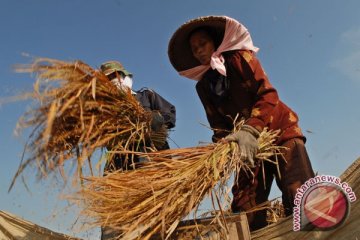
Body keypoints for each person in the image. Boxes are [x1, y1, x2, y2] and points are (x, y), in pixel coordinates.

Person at [168, 16, 315, 231]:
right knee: (245, 210)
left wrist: (250, 128)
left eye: (203, 44)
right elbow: (218, 125)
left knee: (300, 194)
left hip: (278, 131)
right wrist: (218, 155)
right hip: (247, 148)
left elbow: (268, 95)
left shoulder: (239, 58)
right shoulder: (203, 87)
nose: (199, 50)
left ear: (215, 43)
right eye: (194, 48)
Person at [99, 61, 176, 239]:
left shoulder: (146, 96)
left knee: (152, 218)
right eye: (107, 79)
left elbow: (170, 113)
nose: (112, 81)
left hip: (149, 164)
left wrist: (155, 119)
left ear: (125, 76)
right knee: (112, 220)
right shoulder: (104, 109)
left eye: (115, 76)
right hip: (118, 167)